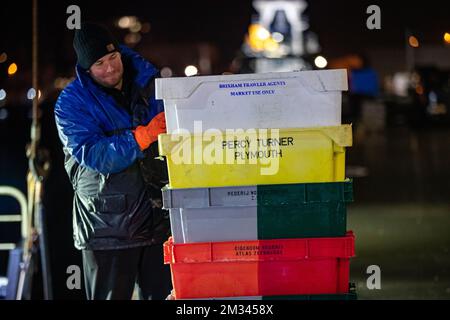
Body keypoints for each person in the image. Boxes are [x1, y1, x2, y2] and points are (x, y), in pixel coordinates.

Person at [54, 22, 171, 300]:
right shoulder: (70, 103)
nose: (109, 68)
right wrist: (142, 136)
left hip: (158, 222)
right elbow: (93, 154)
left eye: (112, 58)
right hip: (106, 229)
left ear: (120, 53)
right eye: (99, 63)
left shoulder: (151, 84)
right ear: (85, 69)